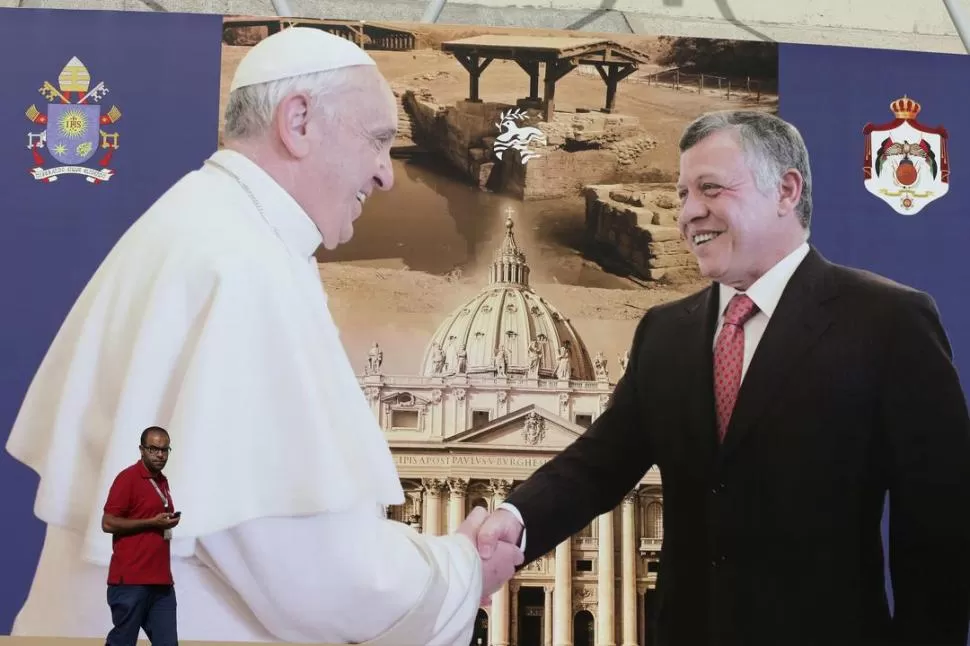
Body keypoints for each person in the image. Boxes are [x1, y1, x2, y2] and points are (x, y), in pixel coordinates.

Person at [5, 27, 522, 645]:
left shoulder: (206, 225)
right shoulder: (241, 265)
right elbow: (307, 567)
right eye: (378, 142)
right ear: (299, 121)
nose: (387, 174)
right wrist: (460, 571)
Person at [476, 110, 970, 645]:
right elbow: (598, 465)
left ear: (785, 190)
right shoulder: (665, 332)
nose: (689, 213)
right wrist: (515, 515)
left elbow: (940, 529)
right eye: (683, 193)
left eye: (710, 189)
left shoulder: (889, 320)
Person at [102, 426, 181, 646]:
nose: (160, 454)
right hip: (130, 581)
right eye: (154, 449)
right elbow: (107, 522)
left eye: (165, 450)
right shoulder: (128, 478)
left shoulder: (162, 481)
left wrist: (166, 522)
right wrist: (151, 522)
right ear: (141, 449)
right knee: (123, 642)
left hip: (161, 582)